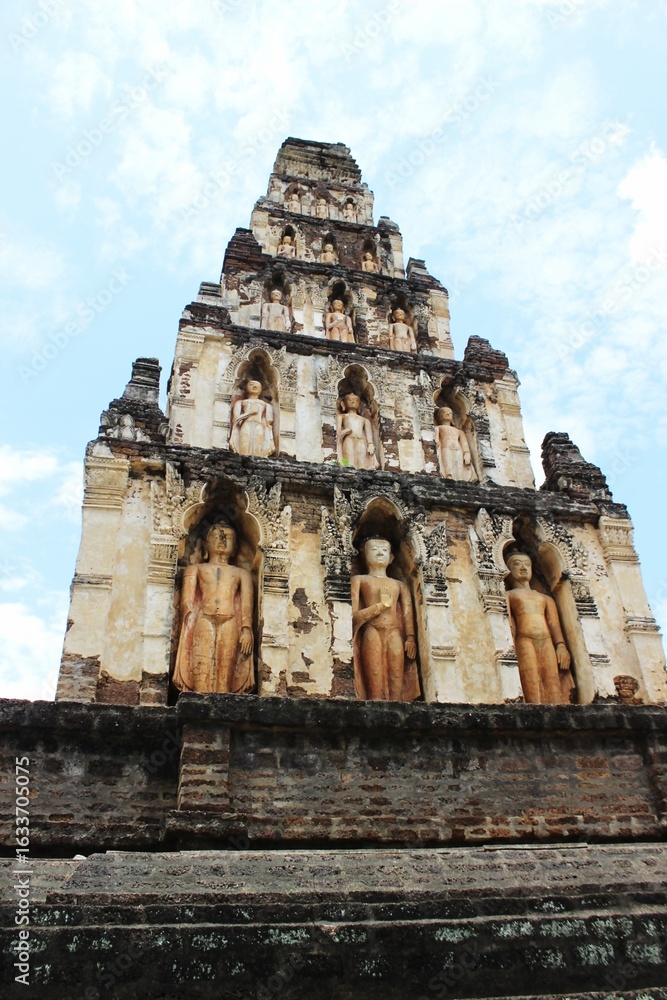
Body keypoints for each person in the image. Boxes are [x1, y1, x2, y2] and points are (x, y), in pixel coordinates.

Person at [173, 522, 254, 694]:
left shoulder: (241, 574)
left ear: (235, 547)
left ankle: (224, 705)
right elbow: (187, 602)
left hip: (230, 620)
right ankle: (198, 701)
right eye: (217, 535)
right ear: (206, 544)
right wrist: (185, 627)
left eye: (228, 537)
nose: (223, 540)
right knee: (201, 667)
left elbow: (247, 605)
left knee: (225, 672)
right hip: (204, 618)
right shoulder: (195, 569)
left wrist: (246, 630)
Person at [351, 537, 419, 701]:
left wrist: (410, 637)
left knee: (396, 679)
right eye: (374, 549)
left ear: (391, 558)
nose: (380, 552)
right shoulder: (360, 580)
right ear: (364, 555)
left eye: (384, 550)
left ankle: (398, 709)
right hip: (371, 631)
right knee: (375, 680)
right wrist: (380, 606)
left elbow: (407, 613)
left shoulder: (400, 585)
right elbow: (354, 616)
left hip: (394, 632)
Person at [505, 552, 571, 704]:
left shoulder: (545, 598)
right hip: (524, 639)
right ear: (508, 570)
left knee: (552, 680)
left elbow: (554, 624)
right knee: (531, 680)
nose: (523, 568)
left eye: (527, 564)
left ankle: (557, 714)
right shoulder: (509, 595)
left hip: (547, 640)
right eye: (517, 564)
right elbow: (508, 621)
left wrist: (561, 646)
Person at [229, 379, 275, 457]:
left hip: (259, 425)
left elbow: (268, 421)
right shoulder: (240, 403)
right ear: (246, 388)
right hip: (245, 425)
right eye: (251, 384)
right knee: (244, 444)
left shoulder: (266, 405)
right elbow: (235, 420)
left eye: (257, 385)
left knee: (257, 445)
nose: (254, 386)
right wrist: (249, 413)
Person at [336, 393, 376, 469]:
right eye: (350, 400)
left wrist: (370, 444)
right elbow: (339, 433)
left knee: (361, 462)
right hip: (349, 439)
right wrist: (345, 431)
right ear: (343, 404)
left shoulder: (365, 420)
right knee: (349, 462)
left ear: (360, 404)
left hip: (361, 440)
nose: (353, 402)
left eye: (356, 400)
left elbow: (369, 436)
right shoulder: (342, 416)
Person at [435, 406, 476, 481]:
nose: (447, 414)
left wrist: (466, 453)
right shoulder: (438, 428)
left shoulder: (459, 431)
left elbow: (464, 444)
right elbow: (436, 441)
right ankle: (448, 477)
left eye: (450, 413)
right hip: (446, 447)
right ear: (439, 416)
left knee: (458, 464)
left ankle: (460, 478)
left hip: (458, 449)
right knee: (448, 463)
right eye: (444, 412)